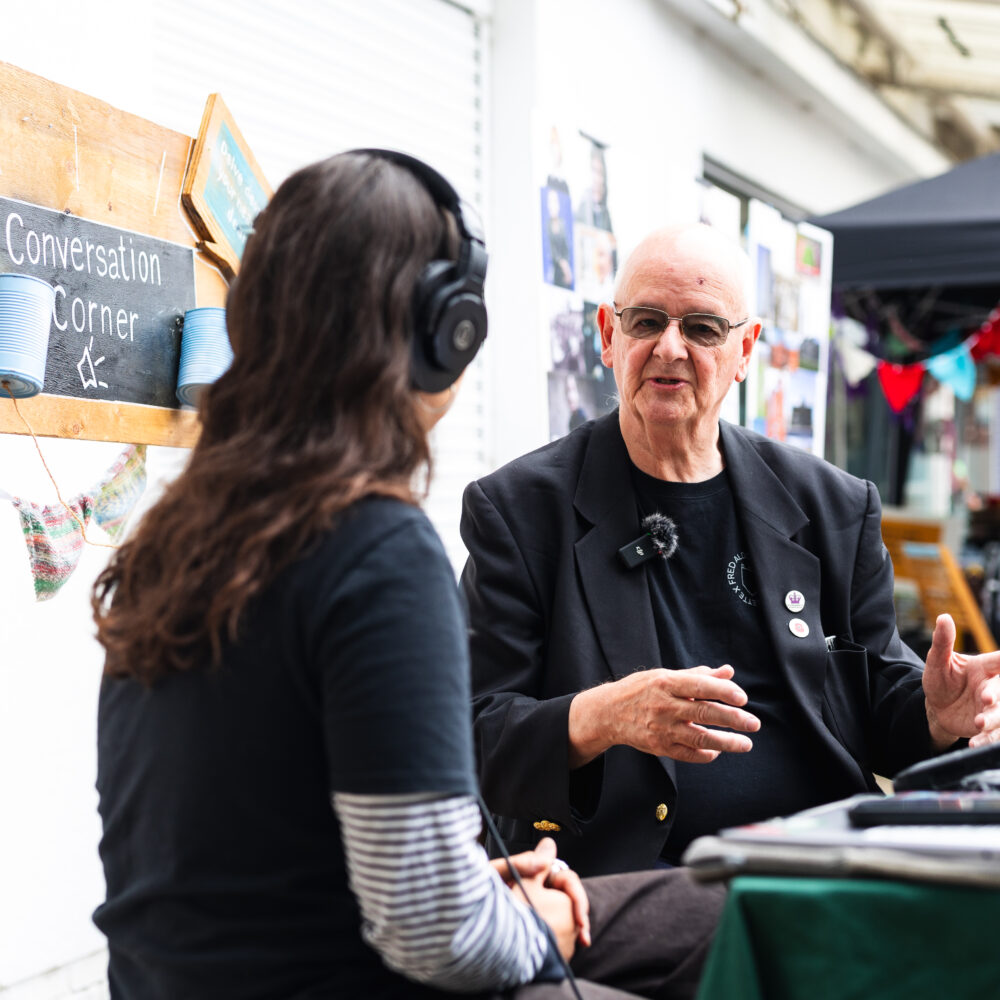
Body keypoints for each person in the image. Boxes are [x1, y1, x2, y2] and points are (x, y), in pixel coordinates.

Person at [91, 153, 724, 999]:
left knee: (698, 902)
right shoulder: (373, 550)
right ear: (445, 330)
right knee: (730, 916)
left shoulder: (169, 540)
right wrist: (550, 923)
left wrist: (482, 894)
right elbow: (435, 933)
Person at [460, 222, 1000, 877]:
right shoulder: (520, 511)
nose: (669, 347)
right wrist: (602, 716)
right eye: (646, 322)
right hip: (629, 874)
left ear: (746, 351)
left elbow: (883, 710)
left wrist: (936, 714)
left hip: (820, 858)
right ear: (608, 335)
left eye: (703, 329)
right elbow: (475, 737)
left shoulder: (832, 506)